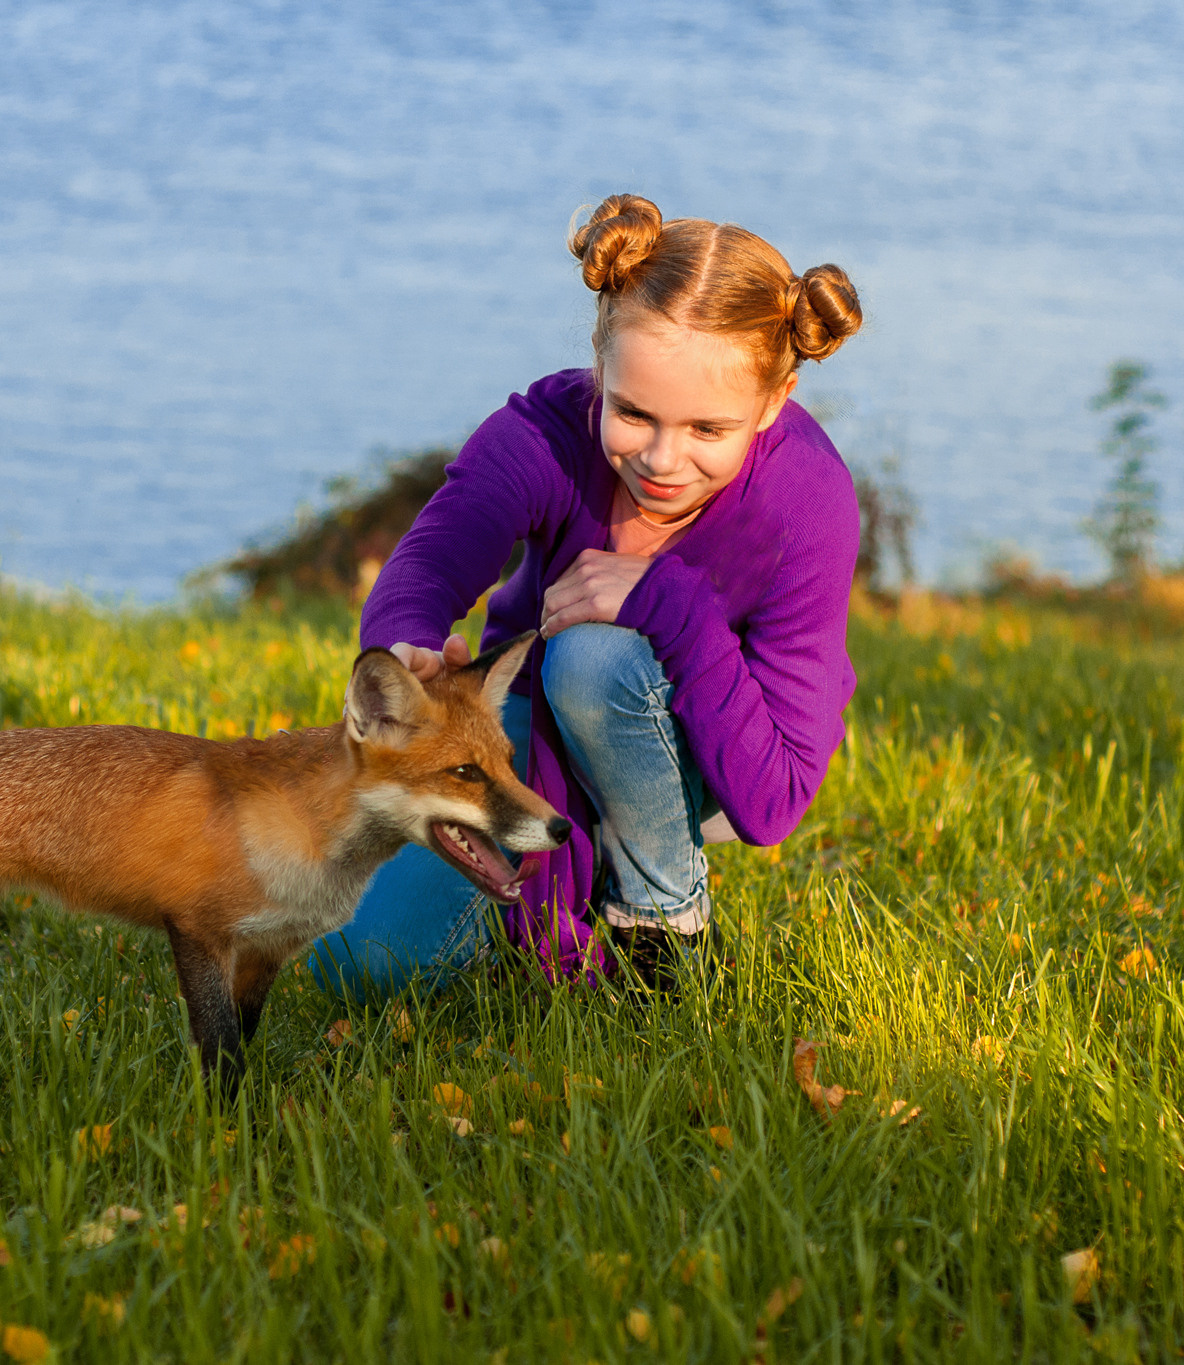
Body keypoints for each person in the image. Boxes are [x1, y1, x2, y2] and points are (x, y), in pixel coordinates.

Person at [311, 193, 862, 999]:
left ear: (772, 404)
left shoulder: (808, 503)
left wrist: (666, 603)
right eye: (634, 412)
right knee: (364, 964)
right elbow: (437, 551)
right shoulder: (548, 431)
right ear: (600, 364)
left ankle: (661, 933)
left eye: (709, 429)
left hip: (709, 744)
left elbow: (773, 801)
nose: (664, 459)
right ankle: (573, 866)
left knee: (590, 659)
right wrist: (409, 639)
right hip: (529, 735)